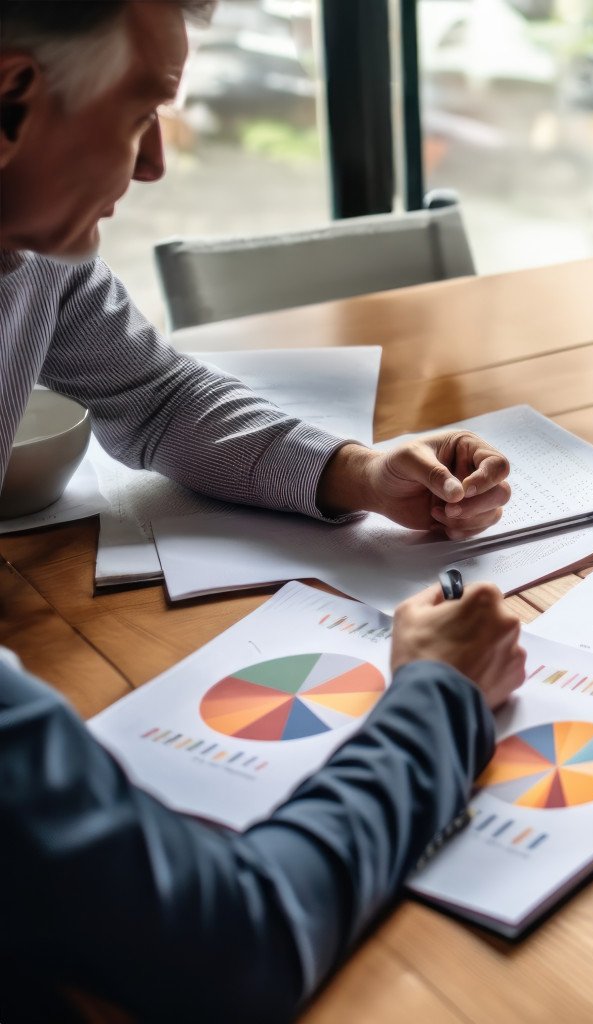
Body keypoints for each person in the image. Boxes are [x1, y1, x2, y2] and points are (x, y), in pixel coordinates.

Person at [0, 2, 525, 1020]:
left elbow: (154, 395)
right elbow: (231, 947)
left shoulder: (34, 251)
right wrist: (440, 700)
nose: (154, 164)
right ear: (11, 97)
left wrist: (353, 471)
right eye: (141, 109)